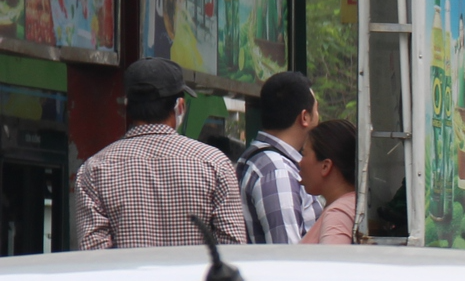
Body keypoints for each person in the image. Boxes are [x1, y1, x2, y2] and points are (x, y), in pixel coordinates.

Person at [74, 58, 247, 249]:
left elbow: (93, 255)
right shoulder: (215, 164)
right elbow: (233, 249)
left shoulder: (94, 170)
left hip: (130, 279)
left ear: (127, 107)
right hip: (196, 280)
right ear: (179, 107)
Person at [238, 71, 322, 244]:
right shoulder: (277, 171)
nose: (319, 117)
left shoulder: (256, 157)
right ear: (305, 117)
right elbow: (286, 252)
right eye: (317, 109)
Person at [299, 119, 358, 245]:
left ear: (325, 166)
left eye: (304, 154)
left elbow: (333, 263)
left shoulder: (337, 214)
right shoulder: (354, 204)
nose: (300, 162)